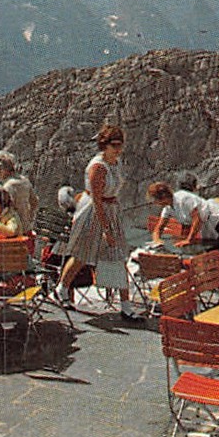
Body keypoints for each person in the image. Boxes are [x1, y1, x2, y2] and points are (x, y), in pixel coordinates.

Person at [58, 124, 131, 312]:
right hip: (93, 212)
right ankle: (62, 288)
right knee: (82, 254)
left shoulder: (115, 162)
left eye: (120, 145)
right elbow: (97, 201)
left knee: (118, 255)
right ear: (104, 145)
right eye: (114, 145)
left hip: (111, 208)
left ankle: (126, 305)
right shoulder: (98, 167)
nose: (118, 149)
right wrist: (106, 229)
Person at [146, 181, 219, 267]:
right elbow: (159, 228)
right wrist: (157, 240)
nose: (155, 203)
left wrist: (189, 240)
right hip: (208, 226)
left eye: (155, 200)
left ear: (163, 197)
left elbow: (197, 219)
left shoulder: (183, 198)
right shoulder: (168, 209)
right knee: (216, 254)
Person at [0, 149, 38, 234]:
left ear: (0, 169)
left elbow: (4, 209)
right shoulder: (25, 180)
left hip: (14, 228)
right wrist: (29, 216)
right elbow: (35, 202)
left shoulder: (8, 186)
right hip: (27, 227)